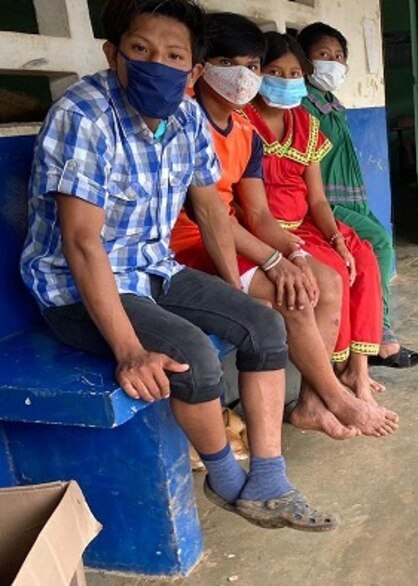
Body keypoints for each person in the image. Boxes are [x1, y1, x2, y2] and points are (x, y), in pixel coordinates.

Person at [20, 0, 334, 531]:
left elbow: (211, 207)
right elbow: (80, 243)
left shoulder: (187, 116)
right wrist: (129, 351)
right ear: (113, 54)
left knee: (263, 326)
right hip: (77, 288)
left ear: (192, 69)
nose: (156, 65)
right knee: (192, 357)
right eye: (141, 50)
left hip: (153, 267)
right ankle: (227, 481)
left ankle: (269, 477)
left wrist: (232, 293)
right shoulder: (83, 115)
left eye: (173, 55)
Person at [169, 14, 398, 438]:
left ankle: (315, 401)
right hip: (190, 246)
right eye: (227, 62)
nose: (243, 76)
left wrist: (293, 254)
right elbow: (211, 218)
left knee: (324, 281)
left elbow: (256, 214)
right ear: (201, 67)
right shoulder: (185, 121)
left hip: (236, 235)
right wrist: (275, 260)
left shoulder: (242, 129)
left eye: (252, 66)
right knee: (293, 294)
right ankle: (337, 396)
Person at [298, 22, 418, 369]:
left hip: (351, 199)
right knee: (379, 243)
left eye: (338, 55)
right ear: (305, 60)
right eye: (323, 55)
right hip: (326, 202)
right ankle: (380, 336)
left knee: (373, 251)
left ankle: (371, 336)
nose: (333, 62)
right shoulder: (301, 106)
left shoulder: (330, 102)